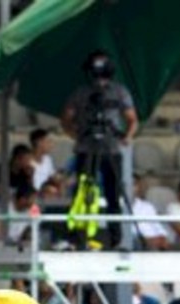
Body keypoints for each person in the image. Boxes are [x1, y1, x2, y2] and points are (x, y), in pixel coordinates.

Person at [61, 50, 138, 246]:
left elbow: (131, 119)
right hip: (86, 148)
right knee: (83, 191)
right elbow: (66, 117)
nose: (99, 80)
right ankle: (78, 235)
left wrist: (127, 137)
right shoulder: (81, 93)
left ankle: (115, 237)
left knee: (113, 193)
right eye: (96, 75)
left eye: (103, 75)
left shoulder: (120, 91)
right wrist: (75, 134)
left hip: (111, 148)